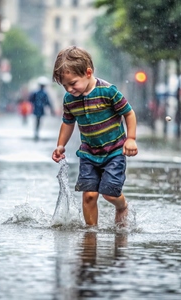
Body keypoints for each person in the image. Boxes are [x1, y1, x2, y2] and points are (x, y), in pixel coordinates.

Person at [51, 46, 138, 227]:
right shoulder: (70, 99)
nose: (69, 89)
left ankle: (122, 207)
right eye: (65, 85)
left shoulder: (108, 92)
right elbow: (68, 122)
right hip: (89, 154)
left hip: (114, 152)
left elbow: (129, 113)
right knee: (89, 195)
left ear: (88, 72)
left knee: (110, 194)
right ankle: (91, 234)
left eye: (73, 83)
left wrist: (130, 139)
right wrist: (60, 145)